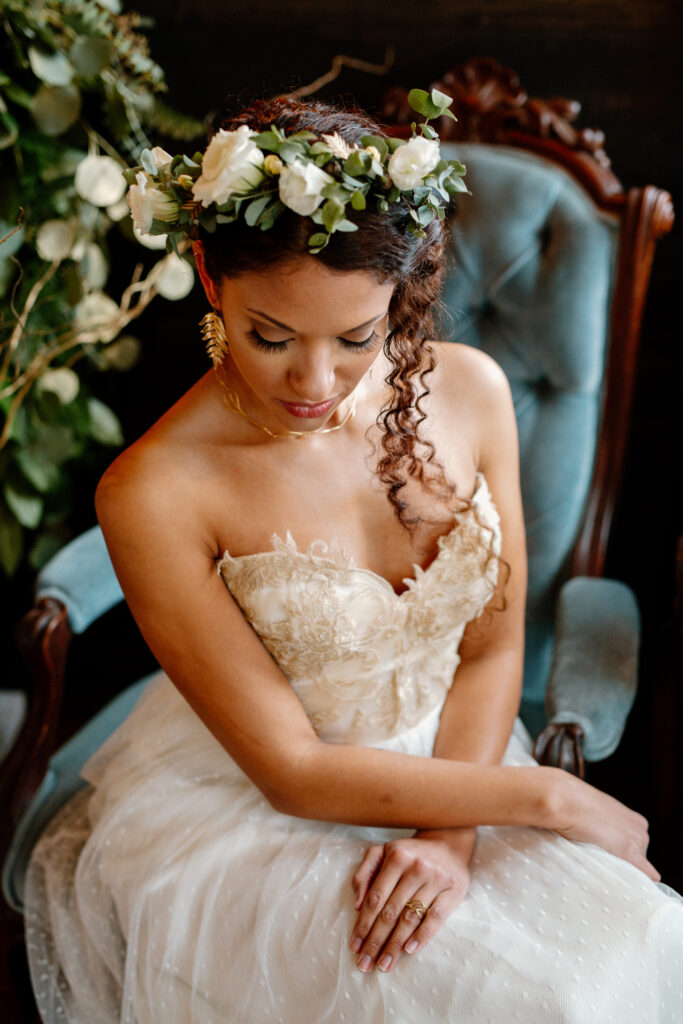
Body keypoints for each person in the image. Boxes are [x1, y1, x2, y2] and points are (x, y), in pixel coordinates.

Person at [24, 91, 683, 1024]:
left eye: (355, 339)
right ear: (210, 278)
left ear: (400, 293)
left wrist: (450, 836)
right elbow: (290, 770)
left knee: (632, 950)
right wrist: (547, 799)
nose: (315, 383)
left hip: (459, 751)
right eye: (271, 336)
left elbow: (493, 650)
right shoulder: (152, 491)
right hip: (266, 803)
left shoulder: (474, 392)